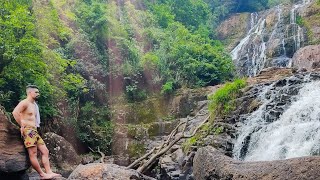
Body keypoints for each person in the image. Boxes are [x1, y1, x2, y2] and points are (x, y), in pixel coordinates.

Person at [12, 85, 61, 179]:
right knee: (33, 153)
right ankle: (42, 174)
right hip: (28, 131)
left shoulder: (34, 105)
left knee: (45, 151)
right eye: (36, 92)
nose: (38, 94)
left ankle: (49, 172)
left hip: (34, 131)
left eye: (38, 92)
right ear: (30, 93)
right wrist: (22, 125)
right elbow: (15, 112)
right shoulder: (25, 103)